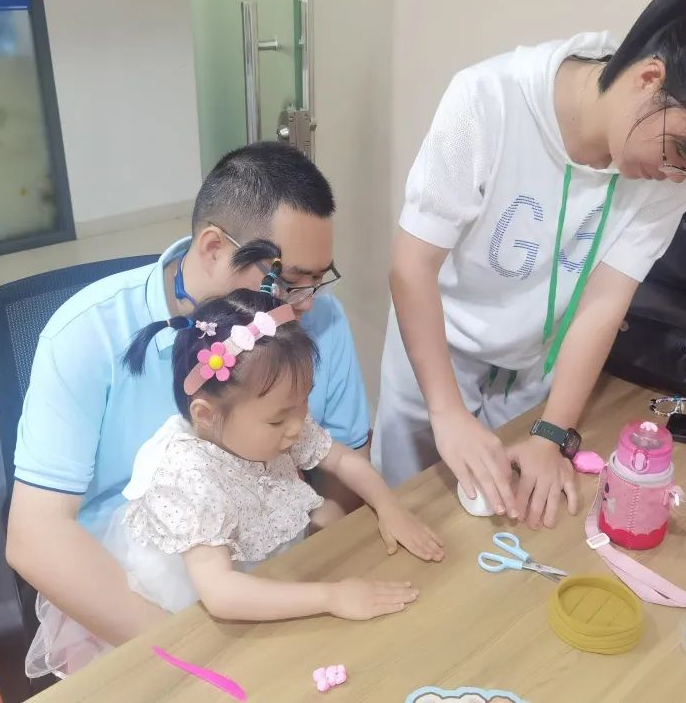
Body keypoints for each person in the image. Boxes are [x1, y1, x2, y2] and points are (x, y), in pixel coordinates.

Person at [373, 0, 686, 531]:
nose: (679, 177)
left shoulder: (674, 167)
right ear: (650, 79)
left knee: (504, 523)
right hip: (438, 345)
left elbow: (606, 302)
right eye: (678, 155)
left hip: (538, 363)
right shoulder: (488, 100)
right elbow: (412, 266)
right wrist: (446, 411)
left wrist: (551, 433)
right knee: (404, 514)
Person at [8, 142, 372, 648]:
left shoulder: (319, 319)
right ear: (214, 248)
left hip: (277, 572)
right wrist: (189, 652)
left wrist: (318, 562)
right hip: (138, 596)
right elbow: (37, 536)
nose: (306, 303)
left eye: (318, 279)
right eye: (288, 282)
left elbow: (347, 456)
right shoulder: (88, 335)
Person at [26, 288, 442, 678]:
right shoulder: (188, 475)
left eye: (304, 402)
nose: (297, 425)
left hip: (255, 575)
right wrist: (332, 596)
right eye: (278, 419)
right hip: (185, 601)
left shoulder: (282, 422)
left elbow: (344, 460)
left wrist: (389, 507)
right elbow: (221, 593)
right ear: (206, 416)